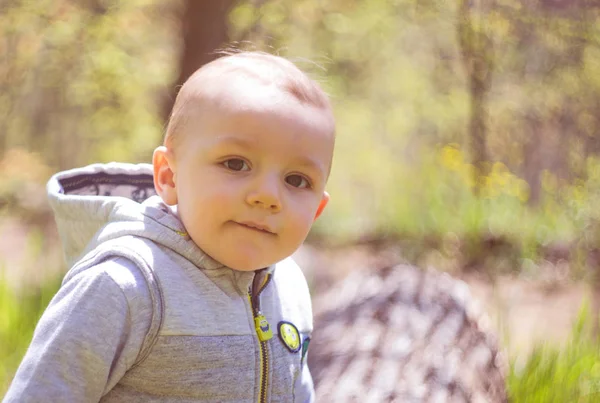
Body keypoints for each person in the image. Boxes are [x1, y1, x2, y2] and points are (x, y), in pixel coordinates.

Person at [3, 51, 336, 402]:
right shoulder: (125, 286)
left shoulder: (289, 287)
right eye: (236, 163)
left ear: (317, 209)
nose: (268, 196)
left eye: (297, 180)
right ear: (168, 175)